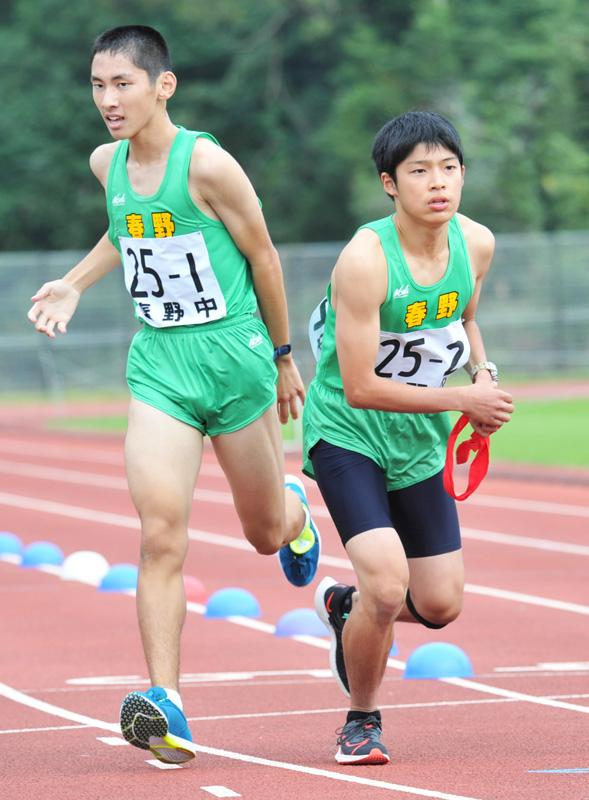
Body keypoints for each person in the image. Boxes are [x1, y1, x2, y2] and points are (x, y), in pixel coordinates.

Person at [27, 25, 320, 765]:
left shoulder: (209, 166)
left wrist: (285, 359)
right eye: (96, 85)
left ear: (164, 86)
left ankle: (295, 511)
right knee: (160, 533)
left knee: (262, 532)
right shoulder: (108, 163)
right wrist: (75, 281)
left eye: (121, 84)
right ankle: (167, 702)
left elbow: (263, 255)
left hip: (235, 358)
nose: (107, 100)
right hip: (160, 365)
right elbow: (127, 231)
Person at [304, 111, 514, 765]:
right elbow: (361, 385)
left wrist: (481, 372)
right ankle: (360, 720)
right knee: (389, 588)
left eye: (448, 168)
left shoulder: (474, 243)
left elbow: (464, 319)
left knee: (440, 605)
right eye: (419, 171)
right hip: (349, 433)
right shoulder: (365, 260)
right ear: (389, 183)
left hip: (419, 441)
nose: (437, 182)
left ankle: (345, 607)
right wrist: (462, 397)